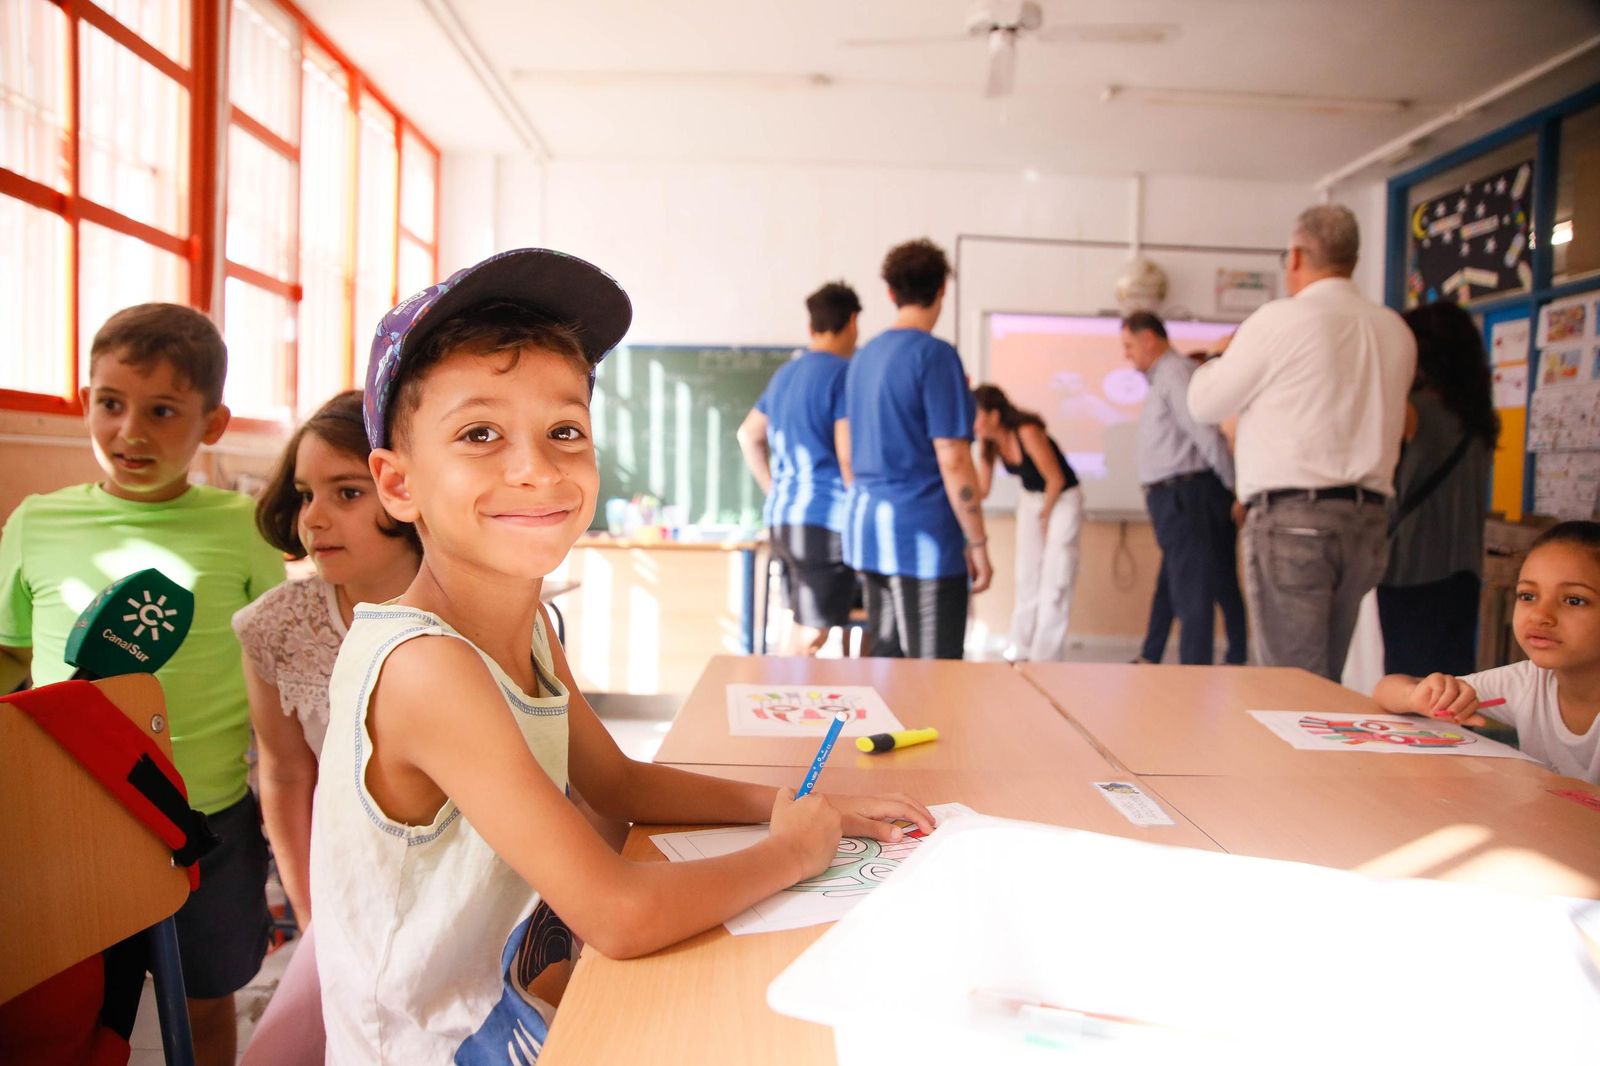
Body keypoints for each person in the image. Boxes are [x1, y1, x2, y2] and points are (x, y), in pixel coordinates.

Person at [310, 248, 933, 1062]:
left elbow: (618, 782)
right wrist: (790, 854)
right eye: (480, 433)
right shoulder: (427, 667)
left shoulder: (524, 629)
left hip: (524, 1010)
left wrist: (814, 812)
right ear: (399, 484)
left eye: (564, 430)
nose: (536, 468)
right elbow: (620, 914)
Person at [0, 303, 285, 1066]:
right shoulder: (36, 522)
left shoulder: (244, 527)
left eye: (162, 411)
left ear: (212, 424)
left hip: (209, 816)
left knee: (205, 993)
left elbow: (274, 661)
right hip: (71, 818)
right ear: (85, 399)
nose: (130, 433)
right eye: (111, 404)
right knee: (76, 1010)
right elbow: (7, 652)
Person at [232, 390, 422, 1066]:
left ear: (406, 489)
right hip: (346, 893)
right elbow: (284, 775)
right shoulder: (276, 626)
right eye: (305, 495)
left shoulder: (473, 603)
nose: (314, 519)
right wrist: (313, 915)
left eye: (345, 493)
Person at [1189, 204, 1416, 680]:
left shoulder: (1281, 320)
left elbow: (1205, 404)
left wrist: (1218, 355)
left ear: (1294, 257)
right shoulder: (1395, 330)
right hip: (1368, 523)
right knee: (1325, 683)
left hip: (1294, 521)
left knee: (1288, 685)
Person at [842, 238, 990, 660]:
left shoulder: (863, 357)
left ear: (890, 293)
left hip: (869, 531)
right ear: (942, 289)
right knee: (935, 677)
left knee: (887, 664)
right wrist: (977, 542)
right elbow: (954, 458)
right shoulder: (936, 356)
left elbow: (849, 452)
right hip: (924, 538)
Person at [1372, 521, 1600, 785]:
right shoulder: (1529, 681)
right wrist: (1419, 696)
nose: (1540, 615)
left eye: (1574, 600)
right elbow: (1386, 689)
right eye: (1528, 596)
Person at [737, 282, 861, 655]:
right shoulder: (844, 374)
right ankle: (778, 707)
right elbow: (847, 455)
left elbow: (748, 435)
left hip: (784, 520)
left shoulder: (785, 376)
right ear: (853, 322)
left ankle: (782, 703)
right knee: (813, 632)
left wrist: (775, 490)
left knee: (799, 622)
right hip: (825, 521)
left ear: (811, 327)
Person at [1376, 301, 1498, 677]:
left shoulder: (1411, 410)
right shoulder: (1480, 420)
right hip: (1465, 569)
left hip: (1412, 566)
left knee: (1410, 682)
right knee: (1453, 680)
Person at [1122, 312, 1245, 666]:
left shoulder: (1175, 372)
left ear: (1149, 339)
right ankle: (1152, 655)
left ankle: (1194, 674)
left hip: (1187, 494)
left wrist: (1235, 488)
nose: (1126, 354)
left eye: (1129, 345)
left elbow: (1204, 434)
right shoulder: (1164, 376)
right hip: (1174, 496)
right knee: (1174, 582)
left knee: (1193, 591)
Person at [971, 384, 1083, 661]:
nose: (971, 422)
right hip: (1032, 499)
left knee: (1055, 576)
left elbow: (1055, 478)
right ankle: (1021, 648)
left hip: (1061, 498)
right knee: (1027, 574)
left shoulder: (1028, 432)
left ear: (994, 415)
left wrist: (1046, 515)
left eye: (976, 415)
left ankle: (1046, 656)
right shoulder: (989, 444)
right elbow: (981, 490)